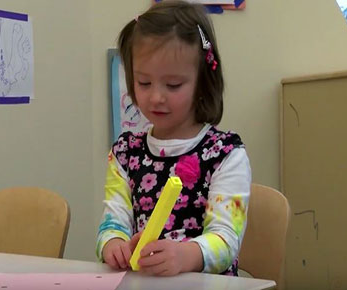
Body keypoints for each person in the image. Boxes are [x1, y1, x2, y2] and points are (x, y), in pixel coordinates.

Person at [96, 0, 251, 276]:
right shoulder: (124, 153)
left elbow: (226, 240)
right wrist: (113, 243)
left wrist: (186, 255)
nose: (156, 96)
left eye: (173, 85)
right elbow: (113, 221)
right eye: (144, 82)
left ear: (203, 81)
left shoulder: (225, 153)